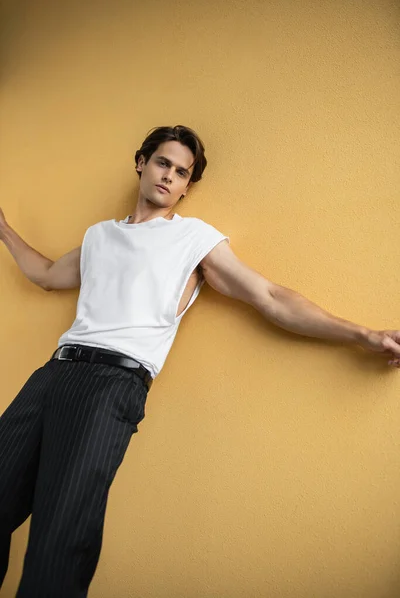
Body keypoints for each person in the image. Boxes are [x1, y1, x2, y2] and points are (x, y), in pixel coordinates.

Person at [0, 124, 399, 597]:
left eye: (182, 172)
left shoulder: (193, 239)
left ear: (188, 186)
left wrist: (362, 333)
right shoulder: (99, 237)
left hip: (111, 384)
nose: (169, 176)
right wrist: (4, 229)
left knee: (60, 535)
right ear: (141, 163)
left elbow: (269, 297)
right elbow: (45, 274)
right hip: (53, 374)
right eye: (163, 163)